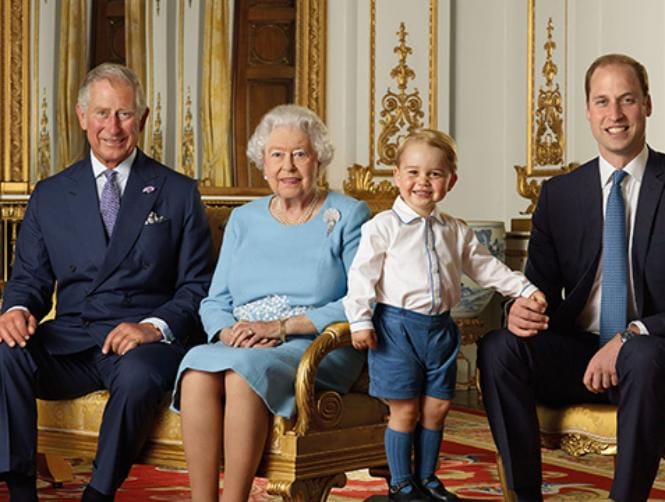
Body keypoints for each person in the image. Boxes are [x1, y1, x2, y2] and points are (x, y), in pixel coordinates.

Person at [0, 63, 212, 502]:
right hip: (72, 340)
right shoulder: (50, 194)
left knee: (137, 375)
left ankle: (98, 493)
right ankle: (19, 488)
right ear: (82, 117)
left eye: (124, 114)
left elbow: (198, 287)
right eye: (101, 113)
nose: (112, 127)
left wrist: (152, 327)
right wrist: (16, 310)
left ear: (143, 118)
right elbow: (29, 279)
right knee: (6, 351)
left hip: (142, 343)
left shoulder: (177, 192)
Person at [478, 53, 665, 502]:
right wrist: (519, 309)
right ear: (588, 111)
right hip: (579, 353)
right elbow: (537, 286)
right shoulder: (559, 193)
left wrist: (629, 336)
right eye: (602, 101)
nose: (614, 114)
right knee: (499, 347)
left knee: (641, 356)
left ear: (647, 104)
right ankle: (525, 496)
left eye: (627, 100)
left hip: (653, 352)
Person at [173, 104, 370, 502]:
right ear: (263, 163)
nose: (288, 166)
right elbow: (215, 299)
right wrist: (227, 332)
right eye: (277, 154)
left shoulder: (349, 214)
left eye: (300, 153)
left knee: (241, 373)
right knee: (195, 371)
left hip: (315, 344)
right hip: (243, 341)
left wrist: (282, 328)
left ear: (319, 160)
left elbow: (360, 301)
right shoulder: (244, 219)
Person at [343, 128, 545, 502]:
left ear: (450, 181)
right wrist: (360, 320)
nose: (423, 181)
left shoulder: (455, 230)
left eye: (434, 174)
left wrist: (524, 289)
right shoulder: (382, 227)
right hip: (396, 330)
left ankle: (427, 477)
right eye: (413, 172)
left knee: (436, 409)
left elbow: (486, 267)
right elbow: (361, 276)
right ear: (397, 176)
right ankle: (401, 483)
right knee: (405, 411)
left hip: (440, 331)